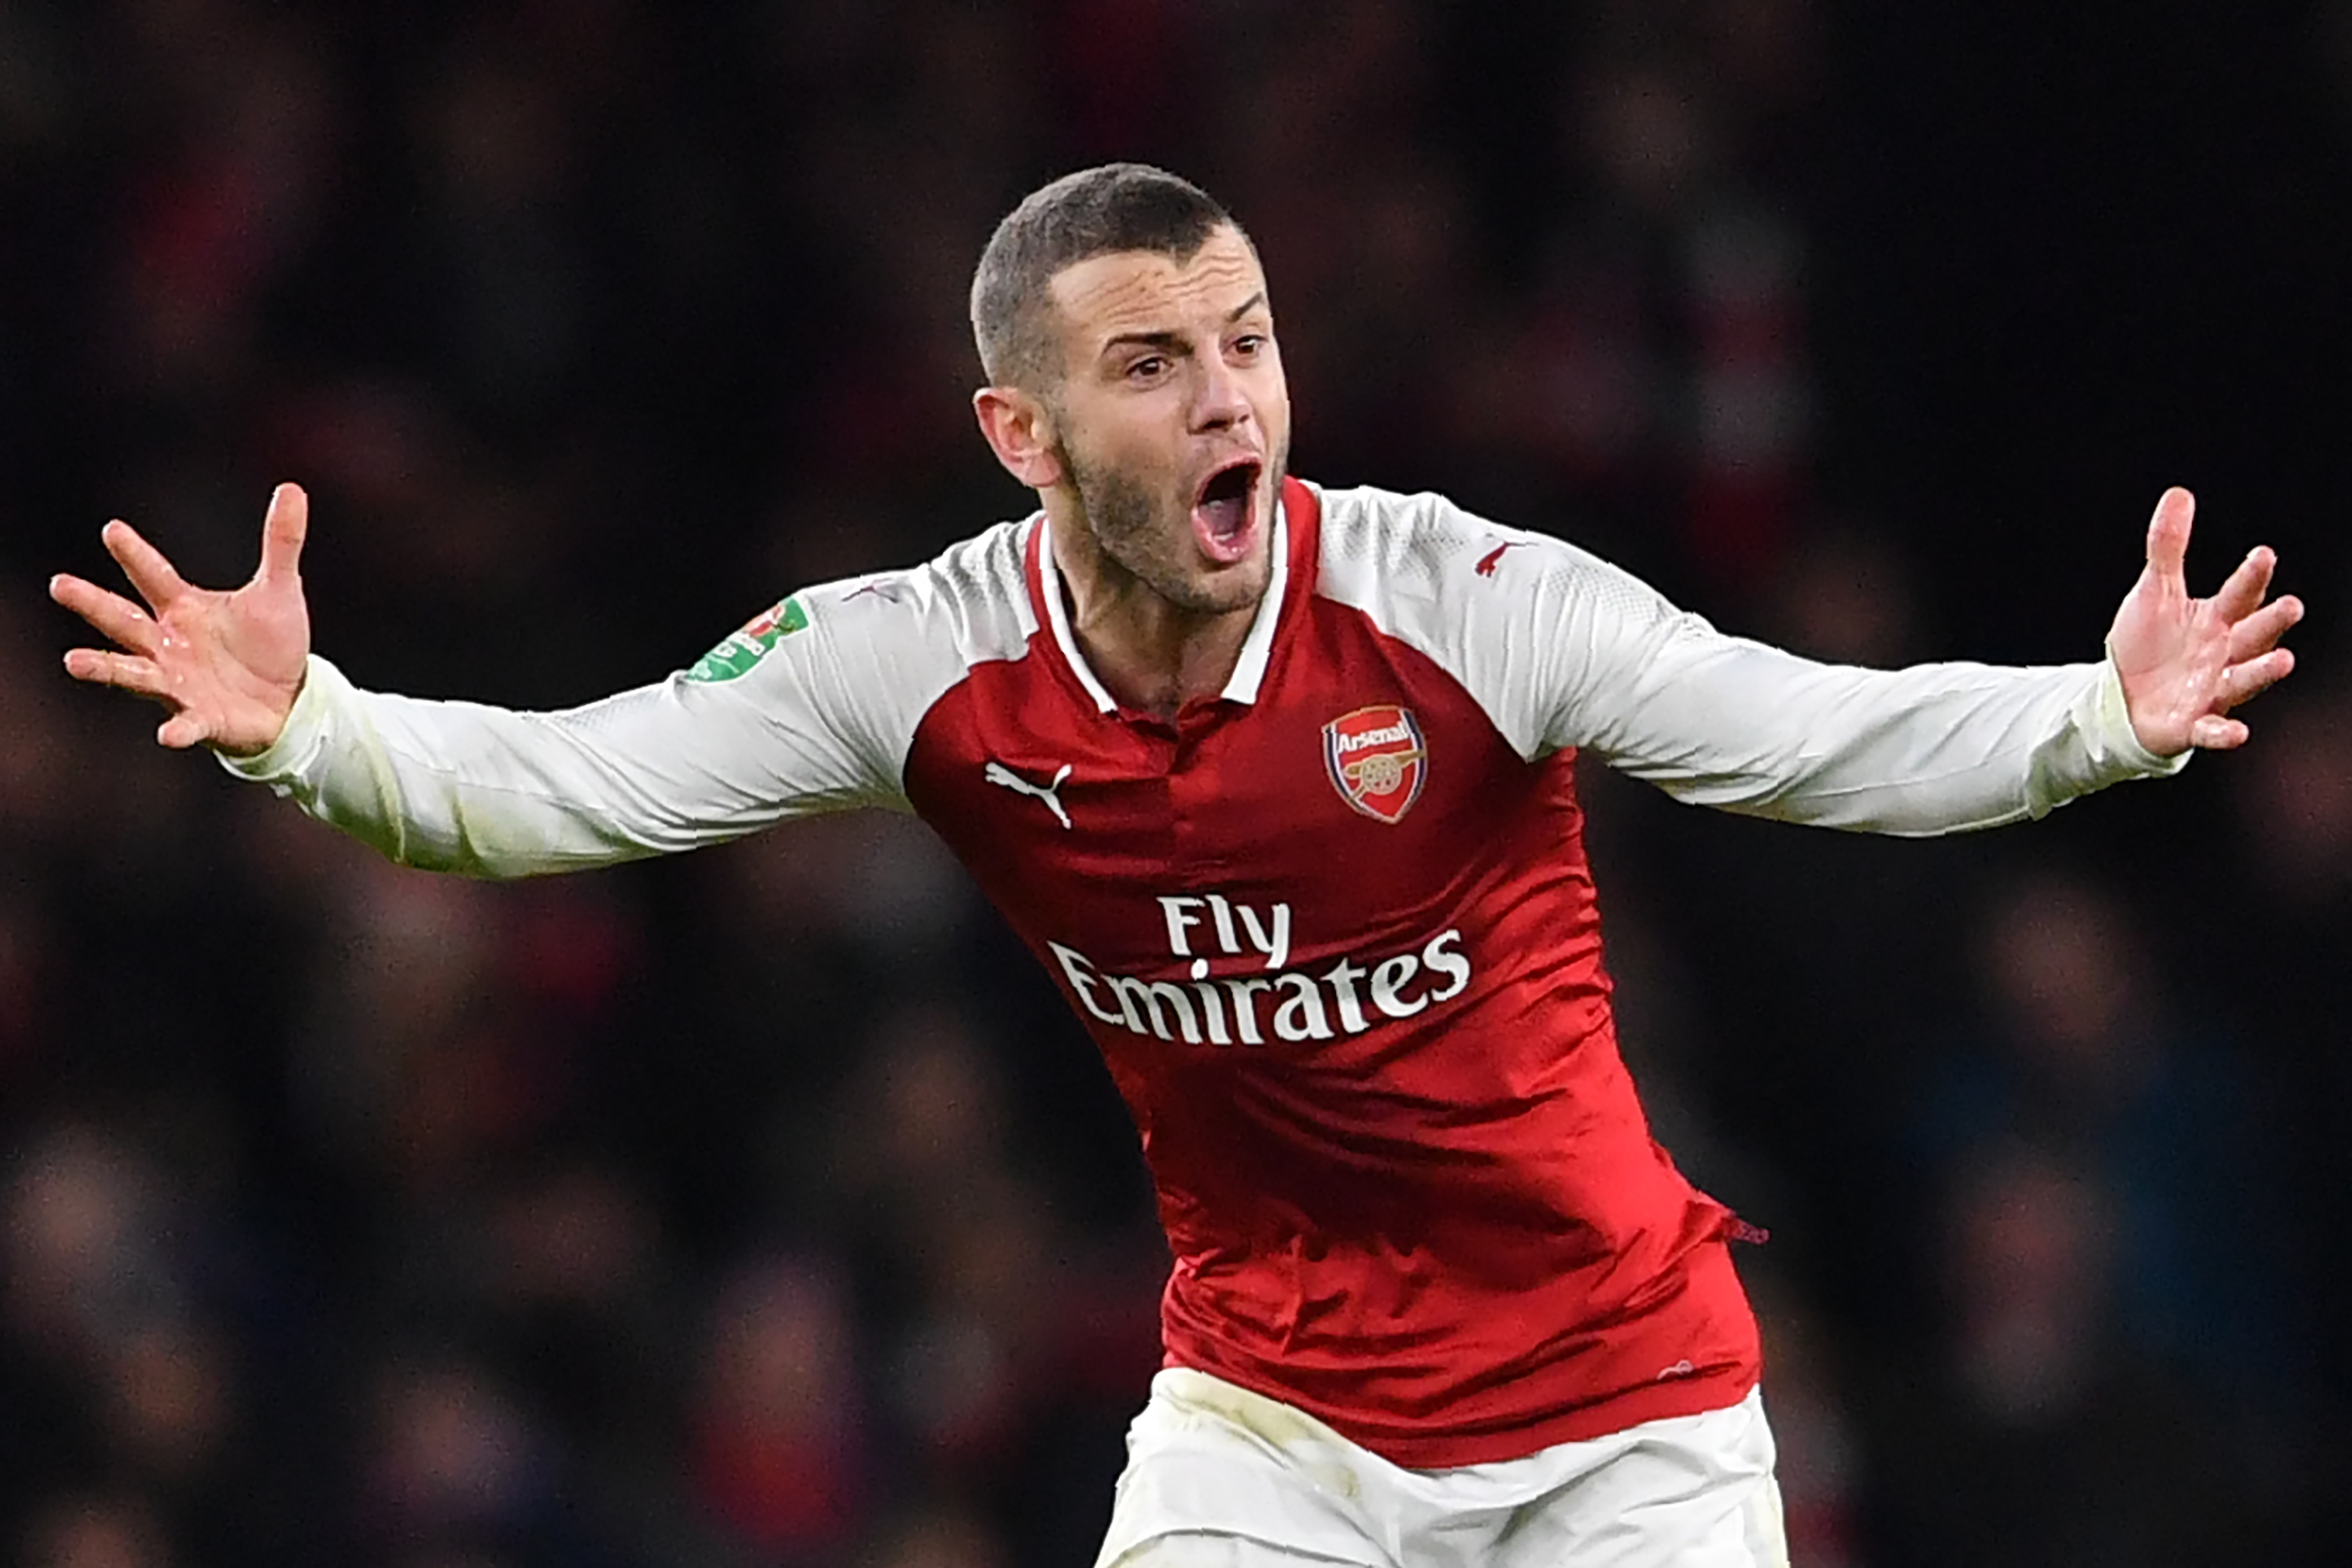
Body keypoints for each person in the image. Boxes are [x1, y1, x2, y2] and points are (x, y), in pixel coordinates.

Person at [48, 164, 2300, 1567]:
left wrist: (2093, 716)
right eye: (1154, 364)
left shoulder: (1459, 598)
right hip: (1276, 1420)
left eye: (1248, 341)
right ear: (1021, 435)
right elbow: (566, 787)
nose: (1232, 399)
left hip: (1624, 1413)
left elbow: (1807, 736)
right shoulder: (913, 663)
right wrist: (309, 731)